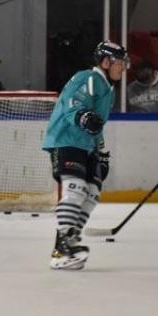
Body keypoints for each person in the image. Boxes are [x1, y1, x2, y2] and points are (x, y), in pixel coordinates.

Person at [42, 41, 130, 269]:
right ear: (106, 61)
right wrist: (82, 116)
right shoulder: (88, 78)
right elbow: (73, 104)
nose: (123, 67)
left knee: (92, 193)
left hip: (86, 145)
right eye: (119, 63)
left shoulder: (107, 88)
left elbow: (96, 125)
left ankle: (69, 241)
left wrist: (100, 149)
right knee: (75, 189)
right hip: (66, 140)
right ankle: (62, 250)